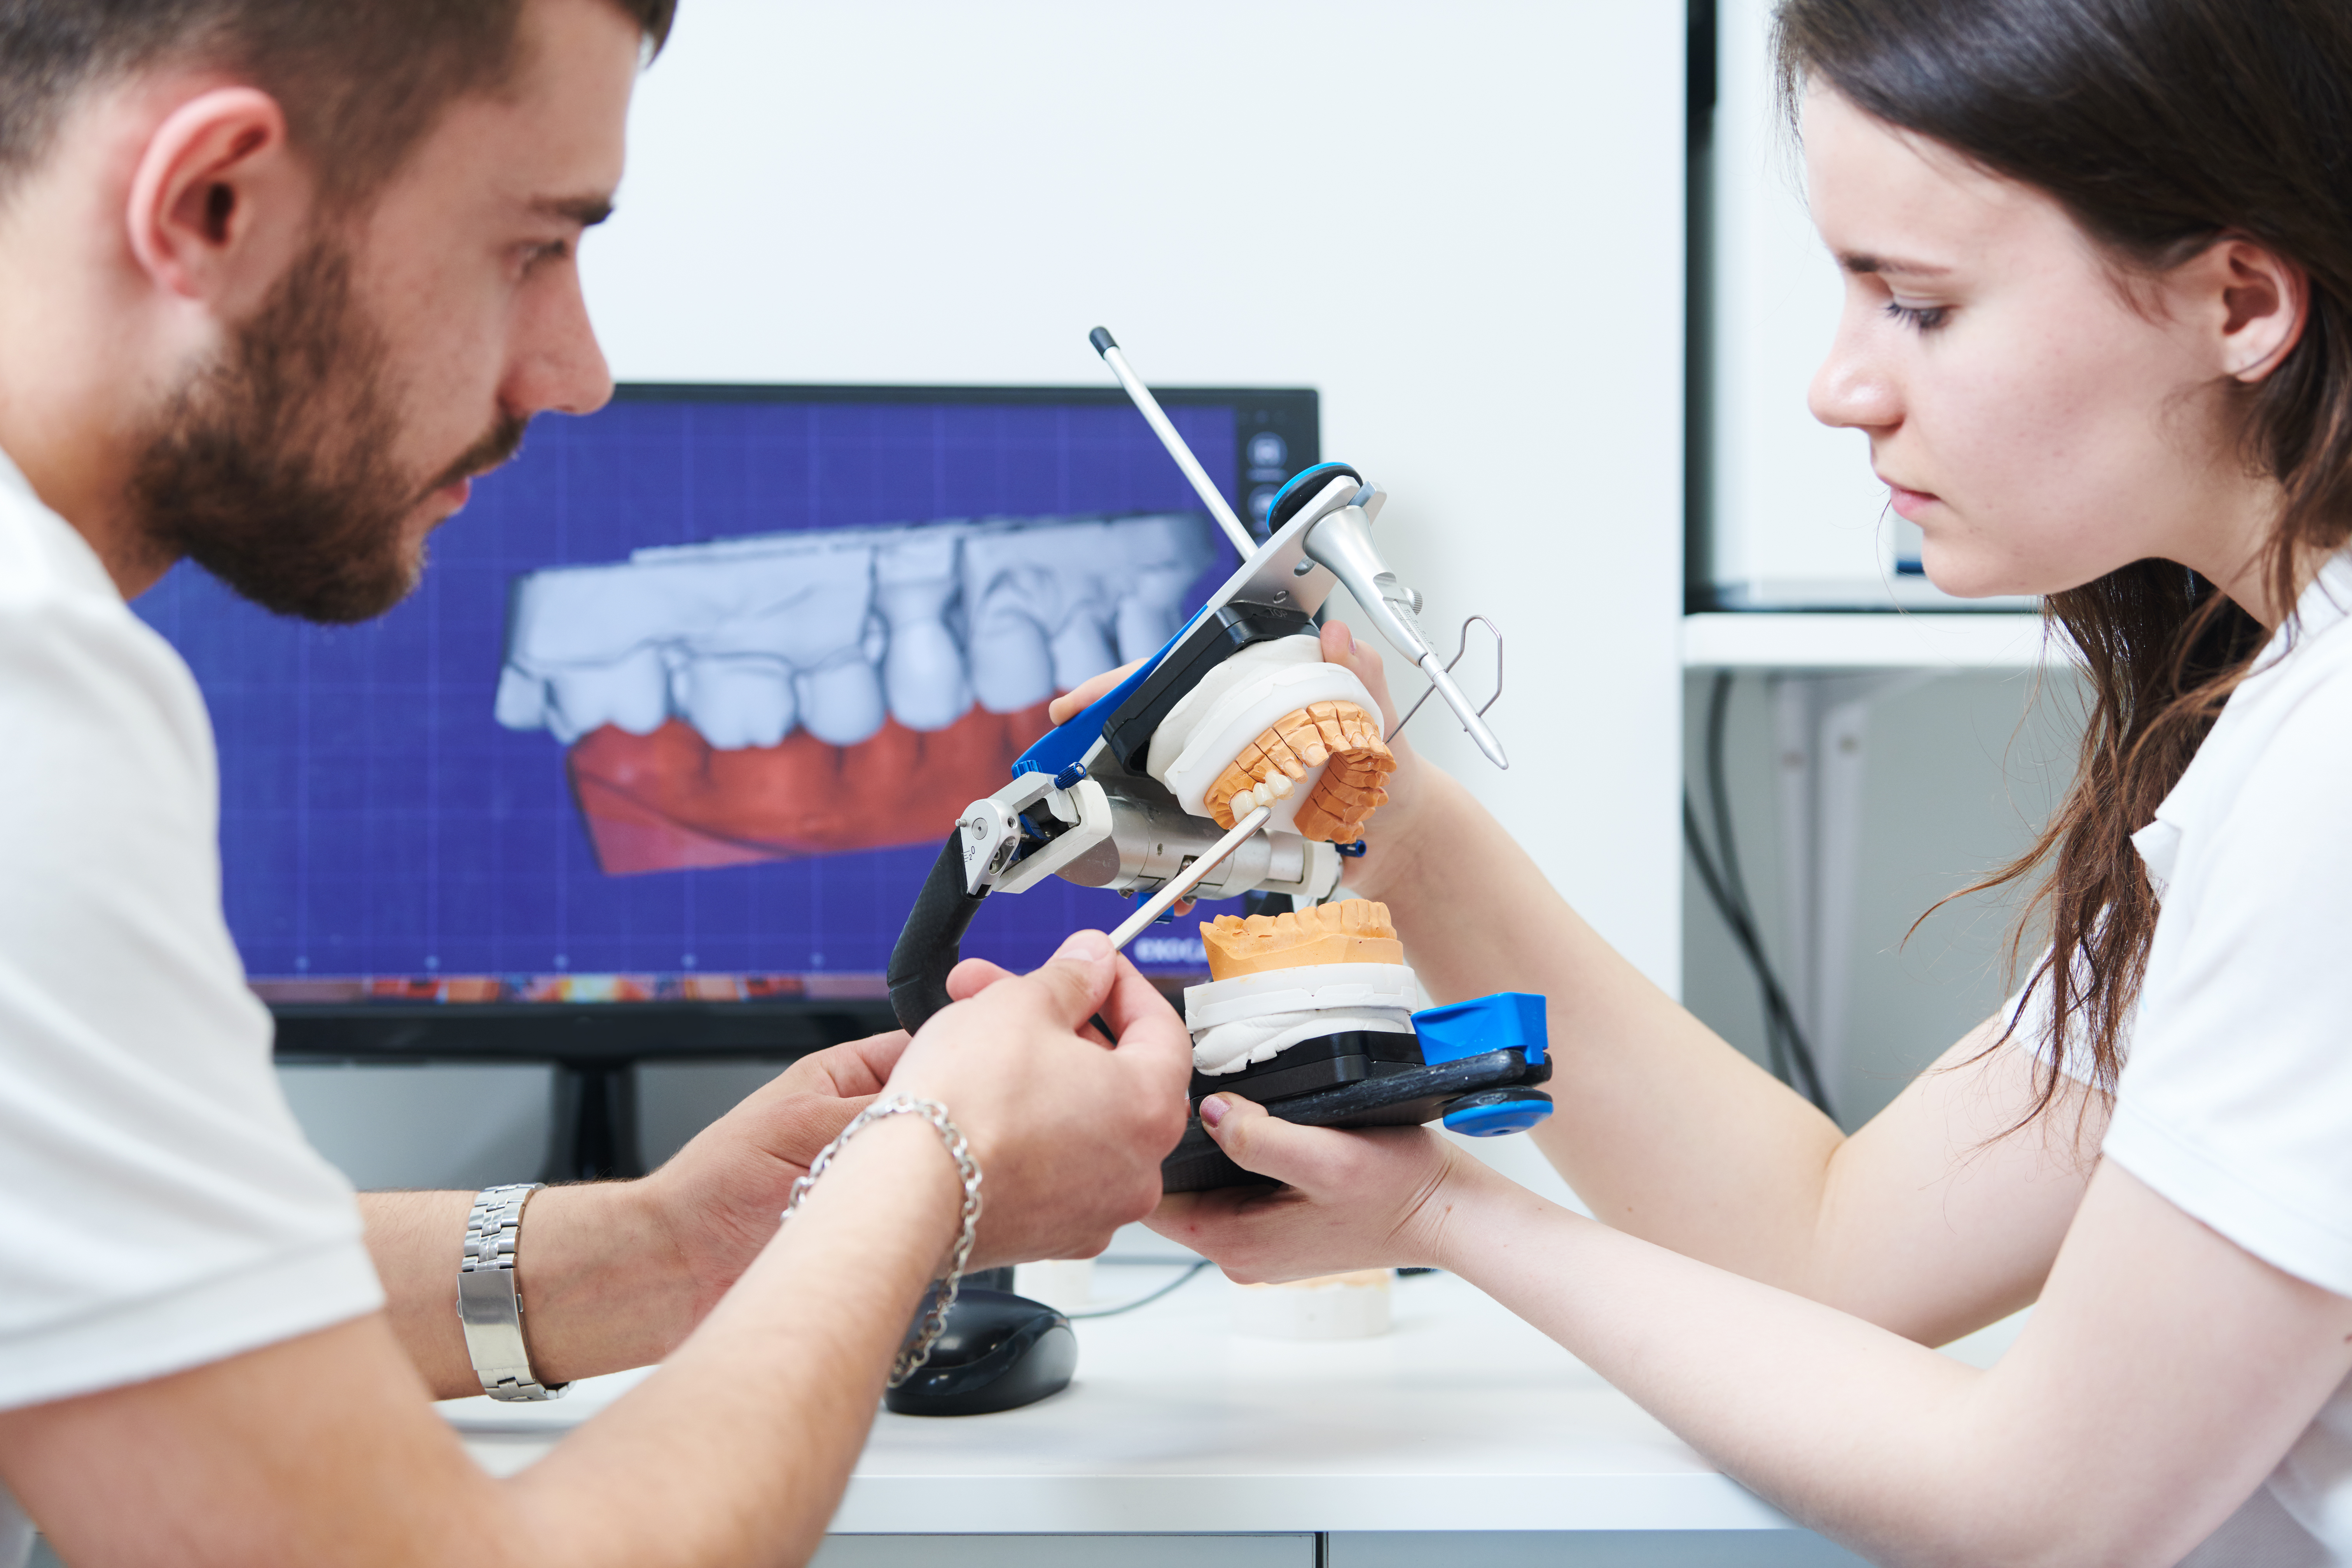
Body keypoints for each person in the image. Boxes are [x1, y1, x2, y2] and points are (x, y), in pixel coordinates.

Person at [1145, 2, 2352, 1563]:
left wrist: (1443, 1213)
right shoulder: (2284, 725)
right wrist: (1400, 828)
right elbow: (1829, 1245)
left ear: (2239, 299)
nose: (1840, 388)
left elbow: (2048, 1509)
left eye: (1916, 304)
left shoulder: (2328, 779)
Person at [0, 2, 1193, 1564]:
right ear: (213, 201)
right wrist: (928, 1164)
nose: (578, 374)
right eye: (529, 248)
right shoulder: (35, 694)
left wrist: (654, 1253)